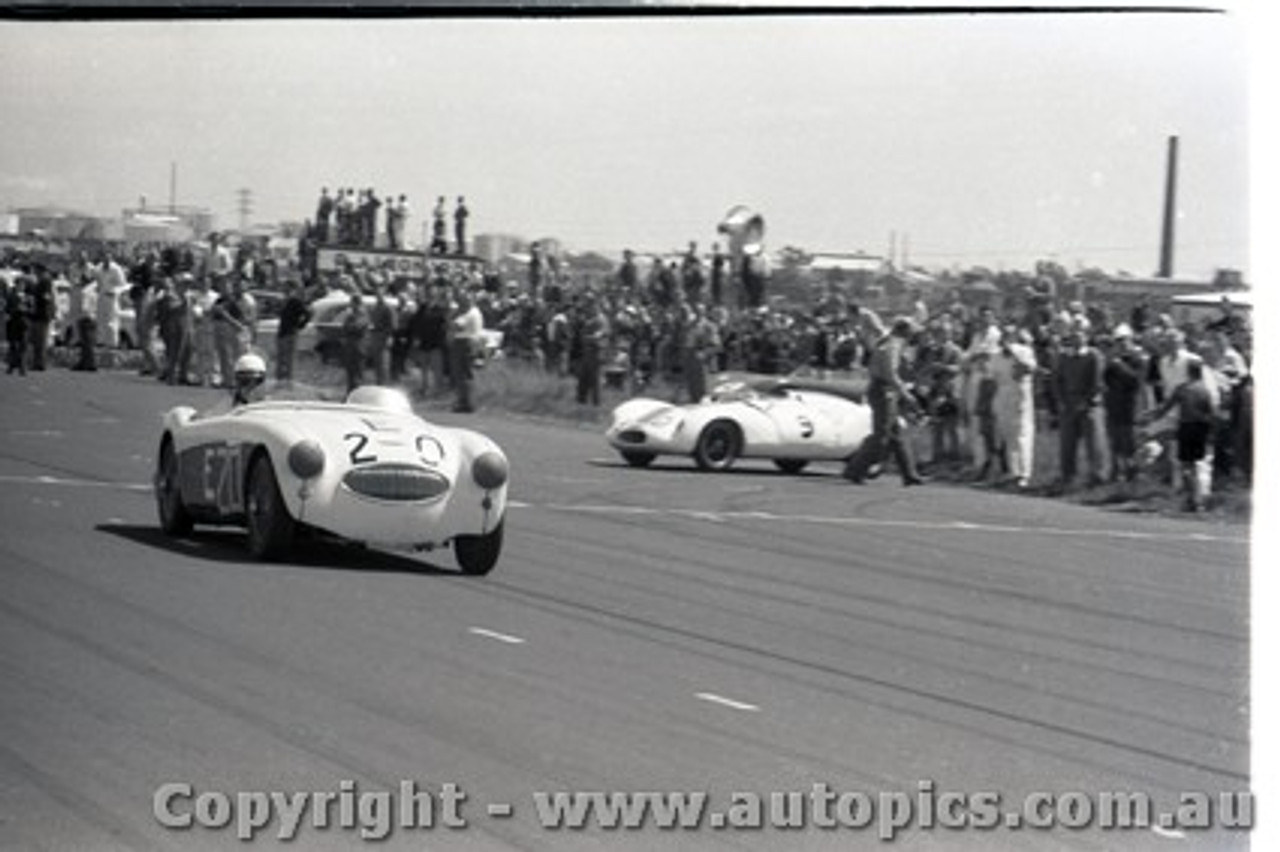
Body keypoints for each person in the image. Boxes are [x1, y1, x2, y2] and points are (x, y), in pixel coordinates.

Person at [843, 317, 925, 486]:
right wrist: (905, 394)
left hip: (884, 388)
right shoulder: (893, 345)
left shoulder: (888, 342)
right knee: (882, 434)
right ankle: (855, 469)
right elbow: (890, 373)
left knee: (896, 434)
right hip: (883, 390)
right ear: (905, 331)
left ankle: (909, 473)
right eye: (912, 331)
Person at [1141, 356, 1217, 512]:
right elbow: (1211, 412)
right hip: (1202, 427)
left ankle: (1193, 500)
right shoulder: (1205, 391)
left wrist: (1151, 415)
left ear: (1188, 371)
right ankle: (1200, 498)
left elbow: (1166, 408)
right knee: (1198, 464)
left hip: (1187, 426)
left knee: (1186, 465)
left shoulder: (1183, 389)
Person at [1053, 318, 1105, 490]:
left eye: (1080, 334)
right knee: (1067, 442)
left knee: (1092, 443)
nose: (1076, 338)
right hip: (1068, 402)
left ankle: (1096, 476)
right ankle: (1068, 475)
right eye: (1073, 334)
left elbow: (1096, 382)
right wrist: (1061, 400)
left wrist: (1087, 401)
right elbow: (1057, 380)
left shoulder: (1093, 355)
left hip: (1088, 404)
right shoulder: (1064, 356)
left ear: (1086, 335)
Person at [991, 326, 1037, 488]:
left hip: (1020, 393)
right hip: (1002, 393)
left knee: (1021, 434)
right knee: (1007, 433)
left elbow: (1030, 368)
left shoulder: (1024, 351)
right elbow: (992, 377)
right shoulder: (995, 356)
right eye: (1004, 336)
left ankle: (1024, 474)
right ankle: (1013, 471)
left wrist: (1015, 355)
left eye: (1009, 336)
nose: (1005, 339)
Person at [448, 289, 483, 413]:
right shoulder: (469, 312)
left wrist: (452, 316)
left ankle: (466, 402)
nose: (460, 304)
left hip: (464, 342)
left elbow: (456, 326)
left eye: (463, 300)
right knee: (463, 374)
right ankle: (464, 401)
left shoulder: (470, 313)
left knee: (462, 374)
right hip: (467, 341)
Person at [275, 279, 311, 384]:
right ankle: (281, 380)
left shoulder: (295, 301)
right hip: (282, 332)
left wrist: (299, 325)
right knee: (281, 358)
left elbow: (307, 314)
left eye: (287, 288)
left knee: (289, 359)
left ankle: (289, 380)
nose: (284, 290)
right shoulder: (285, 301)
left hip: (290, 333)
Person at [340, 292, 369, 394]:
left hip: (358, 347)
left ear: (357, 303)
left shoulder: (362, 314)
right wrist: (348, 325)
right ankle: (349, 393)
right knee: (350, 373)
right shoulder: (350, 315)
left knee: (358, 373)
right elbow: (344, 327)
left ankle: (358, 394)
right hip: (350, 346)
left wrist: (349, 325)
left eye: (352, 303)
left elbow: (356, 327)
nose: (350, 305)